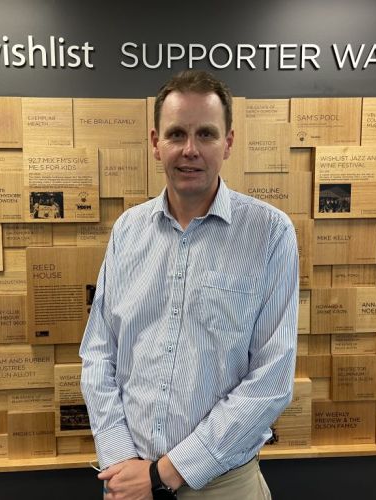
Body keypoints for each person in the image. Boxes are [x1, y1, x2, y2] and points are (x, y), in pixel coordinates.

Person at [80, 70, 299, 500]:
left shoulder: (270, 235)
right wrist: (122, 461)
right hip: (127, 482)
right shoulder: (127, 232)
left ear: (228, 142)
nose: (190, 150)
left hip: (222, 486)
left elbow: (271, 380)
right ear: (155, 142)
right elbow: (99, 353)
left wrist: (163, 473)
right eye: (177, 134)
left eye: (206, 134)